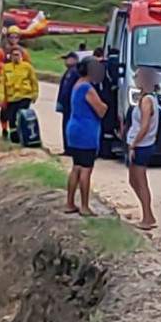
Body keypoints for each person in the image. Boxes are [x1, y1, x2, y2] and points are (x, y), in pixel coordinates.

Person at [65, 58, 107, 217]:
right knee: (86, 169)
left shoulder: (77, 84)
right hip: (86, 130)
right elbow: (100, 110)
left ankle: (70, 202)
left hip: (74, 128)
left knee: (76, 166)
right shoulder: (87, 88)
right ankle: (84, 206)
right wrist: (105, 105)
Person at [124, 67, 161, 230]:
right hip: (139, 143)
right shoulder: (146, 98)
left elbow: (144, 125)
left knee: (140, 180)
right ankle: (147, 214)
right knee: (133, 180)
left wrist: (134, 144)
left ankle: (148, 216)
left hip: (142, 144)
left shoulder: (147, 100)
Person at [0, 45, 39, 143]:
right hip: (11, 98)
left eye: (17, 55)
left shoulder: (27, 67)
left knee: (21, 116)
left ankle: (25, 137)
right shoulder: (6, 68)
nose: (16, 57)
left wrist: (35, 94)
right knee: (11, 119)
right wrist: (1, 98)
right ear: (10, 56)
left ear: (22, 56)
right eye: (13, 55)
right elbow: (2, 84)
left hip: (25, 96)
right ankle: (14, 140)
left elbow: (34, 81)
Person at [55, 52, 80, 155]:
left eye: (68, 59)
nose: (65, 61)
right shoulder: (69, 71)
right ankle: (68, 148)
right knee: (66, 126)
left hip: (70, 105)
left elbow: (69, 89)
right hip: (67, 104)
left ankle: (70, 149)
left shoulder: (74, 72)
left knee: (68, 126)